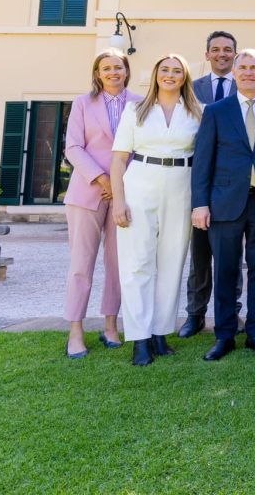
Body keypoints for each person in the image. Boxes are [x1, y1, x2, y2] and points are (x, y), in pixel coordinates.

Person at [191, 49, 255, 361]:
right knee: (225, 270)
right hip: (224, 203)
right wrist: (200, 204)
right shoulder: (217, 112)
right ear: (234, 73)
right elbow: (202, 162)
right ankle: (224, 336)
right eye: (243, 67)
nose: (249, 72)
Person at [110, 54, 203, 366]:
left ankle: (160, 334)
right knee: (137, 262)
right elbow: (118, 159)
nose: (170, 75)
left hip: (182, 184)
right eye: (165, 70)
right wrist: (118, 201)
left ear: (184, 77)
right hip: (140, 183)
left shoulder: (196, 112)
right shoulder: (135, 110)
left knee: (172, 261)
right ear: (155, 74)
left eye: (177, 71)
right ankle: (139, 338)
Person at [62, 49, 142, 359]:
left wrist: (120, 184)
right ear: (97, 73)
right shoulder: (83, 103)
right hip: (87, 192)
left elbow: (140, 148)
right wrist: (101, 179)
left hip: (125, 194)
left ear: (126, 71)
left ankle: (111, 325)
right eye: (106, 68)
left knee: (118, 263)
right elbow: (73, 147)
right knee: (81, 265)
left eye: (118, 67)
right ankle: (75, 331)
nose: (112, 72)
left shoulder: (139, 103)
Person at [180, 29, 240, 338]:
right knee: (199, 253)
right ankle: (195, 314)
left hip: (235, 183)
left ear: (235, 54)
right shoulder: (190, 89)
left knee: (232, 253)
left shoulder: (246, 87)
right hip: (201, 179)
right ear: (207, 55)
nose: (222, 54)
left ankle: (233, 313)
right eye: (215, 49)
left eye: (228, 49)